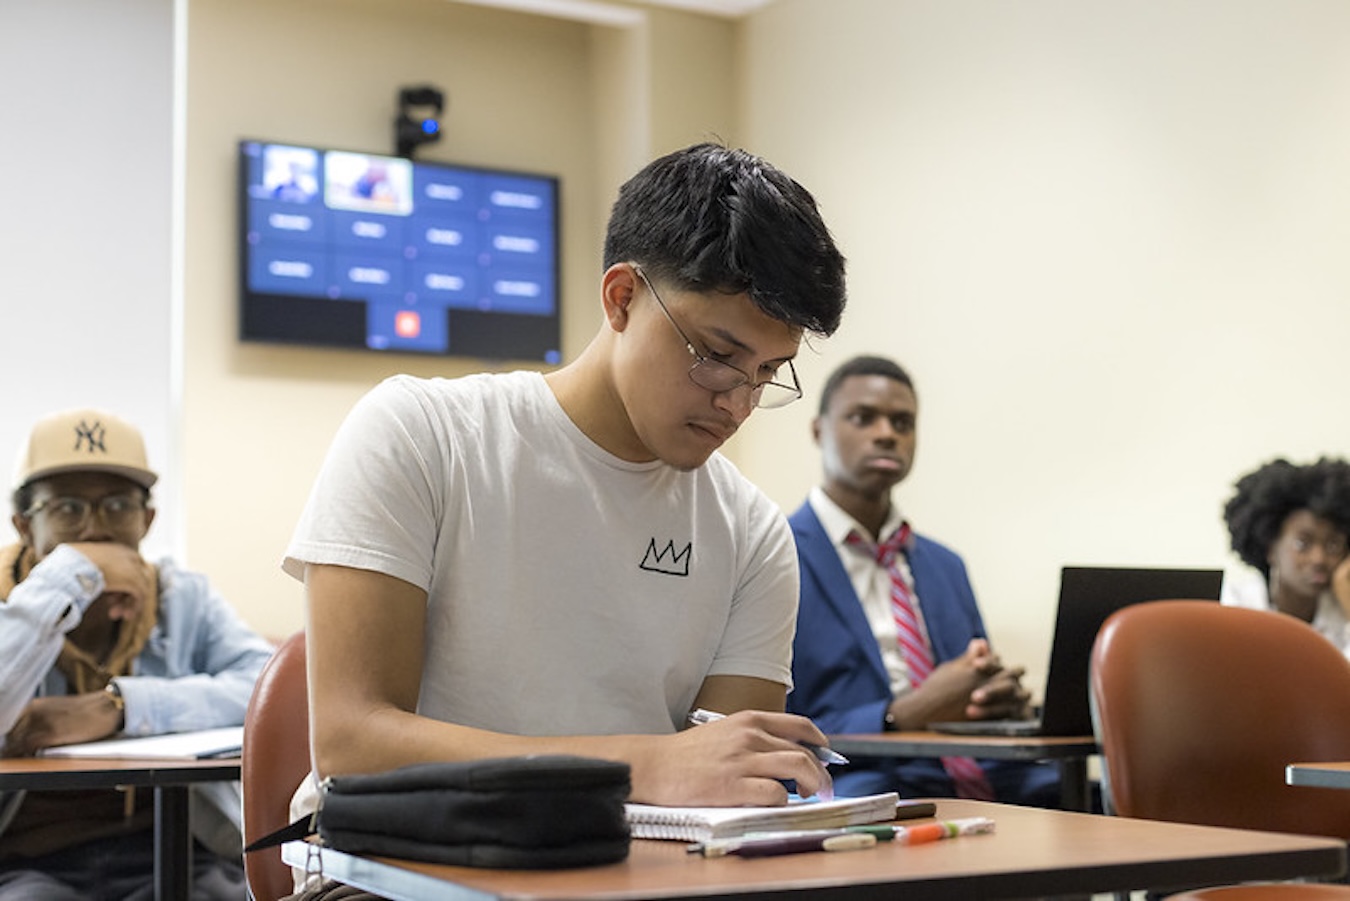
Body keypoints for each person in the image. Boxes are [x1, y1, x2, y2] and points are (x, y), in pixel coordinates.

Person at [280, 142, 848, 898]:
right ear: (621, 298)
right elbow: (351, 744)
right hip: (395, 873)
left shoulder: (750, 532)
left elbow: (729, 790)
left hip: (627, 876)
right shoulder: (422, 433)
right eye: (717, 354)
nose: (738, 403)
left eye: (767, 374)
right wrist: (646, 765)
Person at [0, 408, 275, 900]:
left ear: (147, 519)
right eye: (66, 508)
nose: (95, 531)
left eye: (117, 506)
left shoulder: (180, 596)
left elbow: (264, 685)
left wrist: (122, 707)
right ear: (24, 525)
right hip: (25, 862)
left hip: (176, 849)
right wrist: (69, 576)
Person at [786, 355, 1061, 806]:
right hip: (859, 774)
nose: (886, 434)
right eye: (863, 417)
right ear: (818, 430)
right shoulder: (776, 552)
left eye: (902, 422)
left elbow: (969, 685)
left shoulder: (945, 564)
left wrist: (991, 698)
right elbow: (769, 720)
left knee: (1085, 796)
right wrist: (899, 715)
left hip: (974, 765)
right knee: (870, 803)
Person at [1221, 456, 1350, 656]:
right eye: (1302, 544)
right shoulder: (1232, 604)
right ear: (1271, 548)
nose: (1319, 558)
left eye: (1333, 545)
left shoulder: (1343, 612)